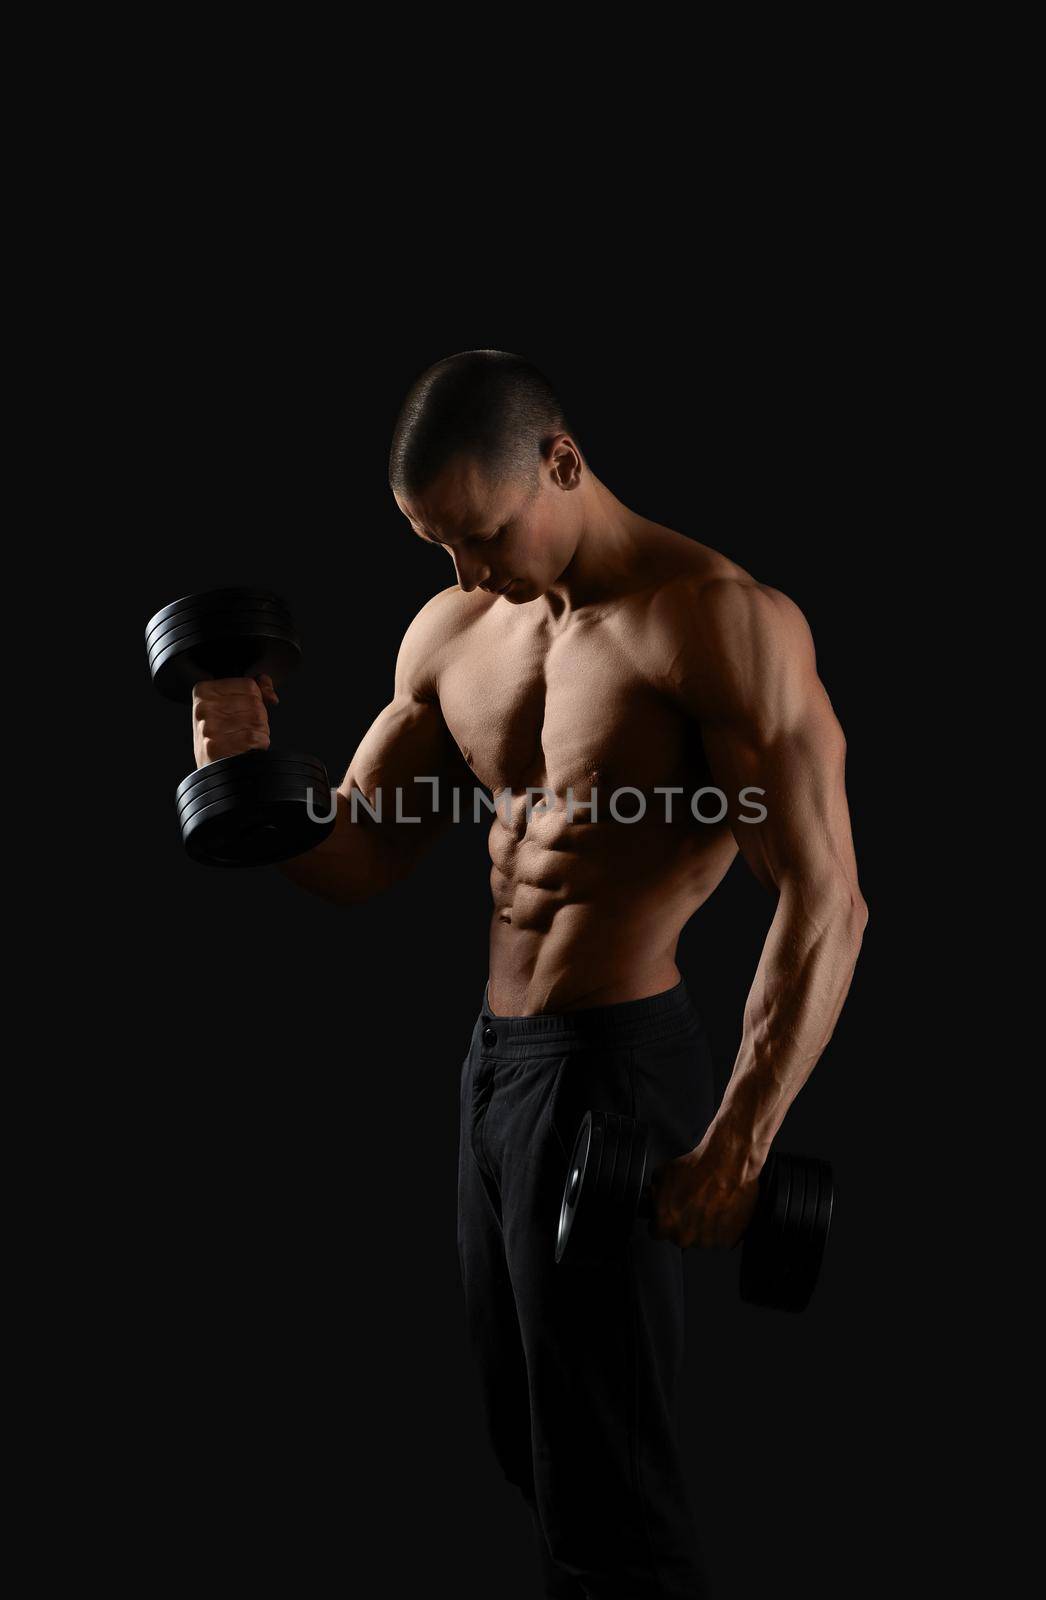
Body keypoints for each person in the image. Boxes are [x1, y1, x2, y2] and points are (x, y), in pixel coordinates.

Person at [191, 350, 868, 1597]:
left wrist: (740, 1142)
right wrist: (247, 771)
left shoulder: (713, 621)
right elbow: (361, 856)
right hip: (496, 1079)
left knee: (612, 1494)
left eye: (483, 533)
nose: (463, 572)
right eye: (435, 544)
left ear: (562, 462)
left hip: (617, 1072)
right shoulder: (455, 633)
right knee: (529, 1444)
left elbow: (827, 901)